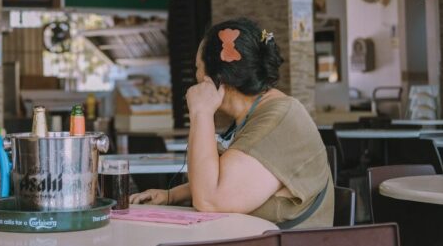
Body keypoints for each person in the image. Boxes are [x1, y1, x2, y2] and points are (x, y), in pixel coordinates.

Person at [130, 17, 334, 228]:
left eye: (198, 68)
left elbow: (210, 200)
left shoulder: (279, 119)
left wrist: (201, 112)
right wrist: (171, 195)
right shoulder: (256, 114)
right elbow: (236, 180)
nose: (196, 77)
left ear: (218, 78)